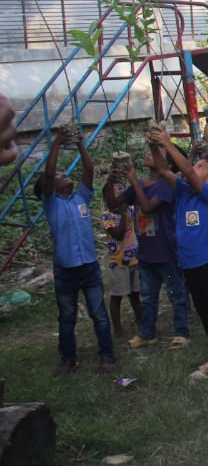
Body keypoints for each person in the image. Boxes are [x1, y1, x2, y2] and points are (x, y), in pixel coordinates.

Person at [149, 128, 208, 380]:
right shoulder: (182, 192)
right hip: (188, 263)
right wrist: (155, 147)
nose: (193, 168)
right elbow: (164, 170)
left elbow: (185, 171)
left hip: (207, 261)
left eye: (200, 167)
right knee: (204, 311)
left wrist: (168, 142)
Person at [40, 127, 115, 374]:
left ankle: (107, 354)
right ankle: (68, 358)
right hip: (66, 269)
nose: (65, 175)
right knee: (67, 316)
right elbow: (49, 174)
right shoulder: (52, 204)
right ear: (51, 186)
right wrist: (57, 144)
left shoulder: (80, 199)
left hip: (89, 266)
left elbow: (89, 170)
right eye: (62, 174)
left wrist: (81, 144)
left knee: (98, 314)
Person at [111, 143, 190, 350]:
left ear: (167, 163)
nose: (149, 154)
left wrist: (133, 180)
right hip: (146, 254)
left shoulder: (166, 185)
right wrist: (113, 177)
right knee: (148, 296)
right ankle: (147, 333)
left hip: (167, 252)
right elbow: (114, 203)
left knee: (176, 295)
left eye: (157, 152)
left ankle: (181, 332)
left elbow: (146, 208)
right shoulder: (141, 184)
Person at [101, 179, 141, 338]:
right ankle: (118, 328)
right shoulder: (107, 216)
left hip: (135, 259)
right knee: (117, 296)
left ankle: (141, 319)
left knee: (135, 294)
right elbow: (118, 234)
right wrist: (123, 214)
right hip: (118, 262)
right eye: (117, 190)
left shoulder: (131, 209)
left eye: (123, 189)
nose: (122, 192)